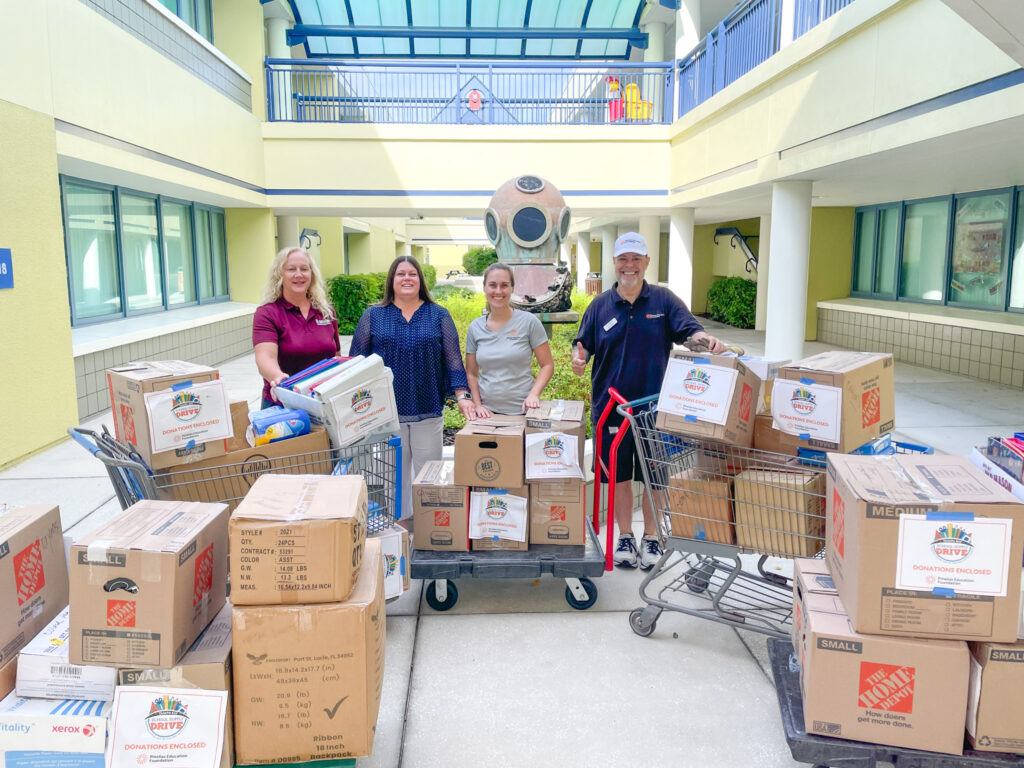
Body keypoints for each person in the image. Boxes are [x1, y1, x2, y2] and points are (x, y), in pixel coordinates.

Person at [572, 232, 724, 570]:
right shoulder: (599, 306)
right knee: (620, 475)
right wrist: (578, 358)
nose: (629, 266)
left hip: (654, 408)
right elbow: (582, 344)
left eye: (636, 259)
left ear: (646, 262)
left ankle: (652, 537)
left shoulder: (663, 301)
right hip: (610, 408)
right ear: (614, 263)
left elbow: (691, 331)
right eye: (623, 259)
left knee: (655, 476)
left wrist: (705, 340)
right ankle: (625, 535)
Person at [349, 255, 475, 523]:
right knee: (395, 479)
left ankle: (430, 530)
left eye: (412, 274)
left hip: (427, 409)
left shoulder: (438, 314)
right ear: (391, 281)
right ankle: (401, 533)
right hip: (385, 414)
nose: (407, 278)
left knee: (429, 476)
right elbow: (356, 363)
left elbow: (453, 361)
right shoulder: (374, 315)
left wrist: (463, 396)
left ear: (421, 280)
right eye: (400, 274)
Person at [253, 246, 340, 409]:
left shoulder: (326, 311)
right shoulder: (267, 313)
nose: (298, 275)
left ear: (312, 274)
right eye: (291, 269)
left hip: (322, 402)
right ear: (280, 274)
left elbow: (335, 356)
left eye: (304, 269)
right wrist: (278, 379)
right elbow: (265, 357)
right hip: (283, 403)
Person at [464, 262, 555, 417]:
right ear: (484, 287)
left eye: (504, 285)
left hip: (524, 411)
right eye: (492, 285)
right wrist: (477, 405)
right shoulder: (475, 328)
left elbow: (547, 365)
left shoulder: (529, 322)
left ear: (513, 288)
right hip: (487, 414)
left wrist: (534, 394)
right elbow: (471, 373)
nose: (498, 291)